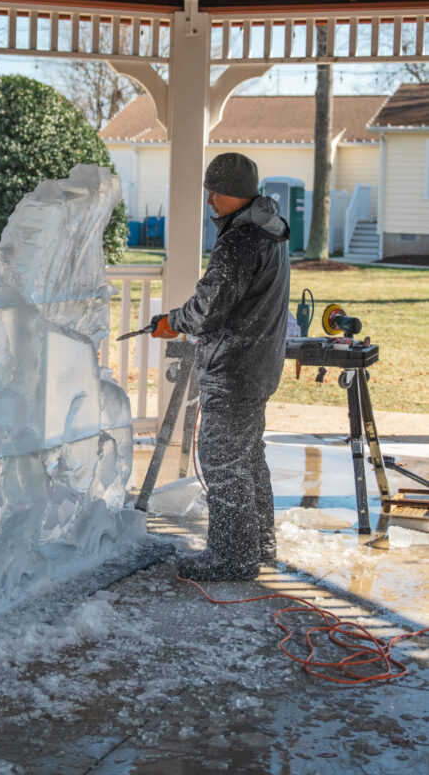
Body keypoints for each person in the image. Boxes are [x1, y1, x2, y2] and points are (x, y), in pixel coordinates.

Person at [151, 152, 290, 581]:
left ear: (237, 194)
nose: (210, 199)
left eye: (216, 191)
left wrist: (173, 322)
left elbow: (209, 308)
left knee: (222, 460)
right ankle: (259, 544)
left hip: (235, 367)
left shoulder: (240, 240)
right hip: (260, 363)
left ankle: (231, 557)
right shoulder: (270, 231)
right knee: (247, 457)